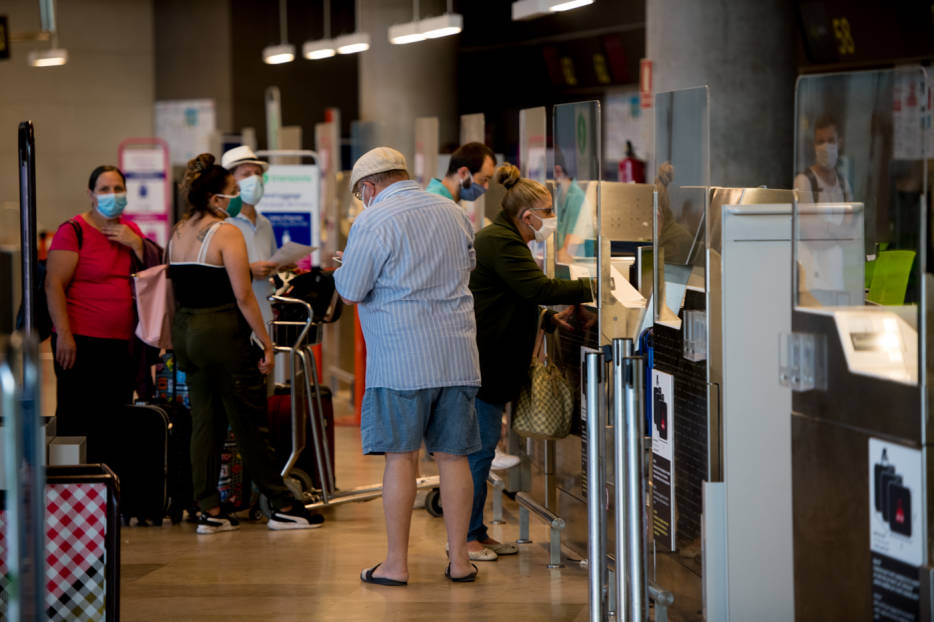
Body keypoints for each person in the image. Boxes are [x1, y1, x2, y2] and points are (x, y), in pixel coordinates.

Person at [334, 147, 482, 585]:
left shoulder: (373, 220)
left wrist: (347, 268)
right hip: (456, 355)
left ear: (368, 186)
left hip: (402, 359)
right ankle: (461, 561)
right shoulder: (454, 213)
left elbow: (350, 291)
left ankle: (396, 565)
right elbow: (467, 268)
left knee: (401, 458)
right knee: (454, 457)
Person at [168, 153, 323, 534]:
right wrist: (266, 343)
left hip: (186, 331)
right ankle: (282, 504)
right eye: (233, 191)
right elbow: (243, 295)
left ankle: (208, 508)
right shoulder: (227, 233)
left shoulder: (179, 230)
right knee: (250, 421)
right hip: (222, 331)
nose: (238, 197)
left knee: (205, 422)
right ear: (215, 198)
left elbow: (174, 288)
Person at [467, 163, 593, 561]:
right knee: (479, 454)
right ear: (527, 216)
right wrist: (596, 285)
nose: (552, 219)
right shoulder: (502, 242)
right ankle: (468, 538)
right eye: (548, 211)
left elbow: (508, 297)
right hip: (485, 363)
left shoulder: (503, 238)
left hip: (489, 360)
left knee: (482, 452)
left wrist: (544, 320)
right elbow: (537, 288)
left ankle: (476, 532)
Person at [46, 165, 153, 463]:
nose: (112, 195)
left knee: (114, 420)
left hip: (121, 345)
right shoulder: (73, 231)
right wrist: (64, 335)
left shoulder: (131, 232)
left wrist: (137, 244)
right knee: (77, 419)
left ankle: (109, 485)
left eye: (118, 189)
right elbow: (53, 285)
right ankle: (72, 482)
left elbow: (153, 276)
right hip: (80, 342)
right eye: (105, 189)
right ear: (91, 194)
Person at [220, 146, 278, 325]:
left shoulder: (265, 224)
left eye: (258, 173)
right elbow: (211, 274)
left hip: (264, 312)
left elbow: (271, 261)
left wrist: (280, 266)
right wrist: (248, 270)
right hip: (234, 315)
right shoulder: (223, 223)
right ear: (230, 182)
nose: (254, 179)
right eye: (246, 174)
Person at [794, 116, 852, 202]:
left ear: (839, 143)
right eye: (821, 142)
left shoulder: (844, 185)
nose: (826, 146)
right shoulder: (804, 181)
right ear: (814, 145)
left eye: (831, 140)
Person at [426, 142, 496, 203]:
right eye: (484, 179)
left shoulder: (441, 199)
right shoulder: (436, 203)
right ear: (464, 173)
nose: (486, 187)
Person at [554, 154, 589, 263]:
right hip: (560, 257)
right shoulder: (559, 193)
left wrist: (559, 255)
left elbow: (572, 238)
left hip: (573, 259)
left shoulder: (577, 196)